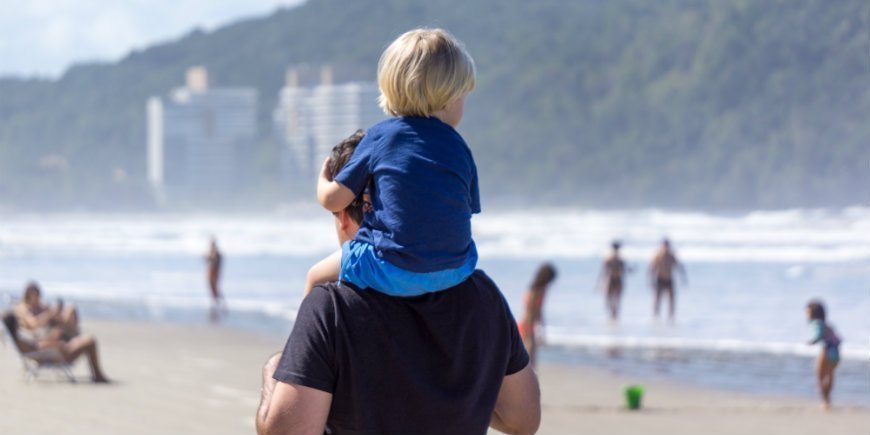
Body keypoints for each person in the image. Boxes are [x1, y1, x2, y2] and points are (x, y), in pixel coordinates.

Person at [257, 131, 541, 434]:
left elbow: (288, 431)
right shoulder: (483, 297)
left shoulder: (331, 307)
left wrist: (274, 373)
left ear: (341, 215)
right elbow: (523, 419)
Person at [307, 27, 480, 298]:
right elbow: (464, 213)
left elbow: (334, 201)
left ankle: (307, 334)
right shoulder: (460, 148)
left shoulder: (380, 136)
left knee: (315, 276)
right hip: (457, 270)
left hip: (391, 270)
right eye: (463, 97)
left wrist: (322, 181)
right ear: (447, 100)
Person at [518, 263, 557, 367]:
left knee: (532, 354)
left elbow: (539, 310)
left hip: (531, 323)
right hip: (526, 323)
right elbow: (530, 311)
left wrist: (541, 326)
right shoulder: (534, 290)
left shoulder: (541, 290)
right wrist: (531, 331)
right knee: (529, 354)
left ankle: (530, 379)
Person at [14, 281, 79, 342]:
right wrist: (50, 313)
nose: (39, 297)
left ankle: (74, 338)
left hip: (49, 329)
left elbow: (53, 315)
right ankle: (74, 341)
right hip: (40, 335)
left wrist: (56, 312)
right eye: (36, 295)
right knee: (59, 331)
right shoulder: (24, 307)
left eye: (39, 294)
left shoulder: (40, 305)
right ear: (29, 295)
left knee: (71, 310)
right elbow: (33, 324)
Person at [806, 299, 842, 410]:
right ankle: (828, 400)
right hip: (836, 352)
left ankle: (825, 401)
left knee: (819, 376)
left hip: (826, 350)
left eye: (808, 312)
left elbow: (818, 334)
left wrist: (812, 341)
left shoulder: (817, 323)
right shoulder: (828, 325)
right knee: (830, 375)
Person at [648, 238, 687, 320]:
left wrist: (683, 277)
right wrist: (651, 280)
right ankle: (656, 315)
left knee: (671, 298)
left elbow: (678, 266)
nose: (665, 247)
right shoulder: (658, 256)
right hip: (660, 279)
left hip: (669, 279)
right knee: (658, 298)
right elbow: (652, 268)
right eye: (664, 245)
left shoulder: (671, 256)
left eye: (667, 245)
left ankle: (671, 316)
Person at [599, 241, 631, 321]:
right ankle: (612, 313)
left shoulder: (621, 260)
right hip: (610, 279)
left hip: (618, 280)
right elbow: (604, 271)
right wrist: (602, 282)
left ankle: (615, 315)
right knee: (609, 299)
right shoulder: (608, 259)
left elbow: (624, 270)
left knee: (617, 299)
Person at [205, 237, 225, 317]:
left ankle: (220, 304)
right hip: (210, 273)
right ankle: (216, 304)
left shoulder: (217, 253)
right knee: (212, 288)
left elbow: (216, 263)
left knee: (215, 289)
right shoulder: (211, 252)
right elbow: (207, 260)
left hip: (215, 273)